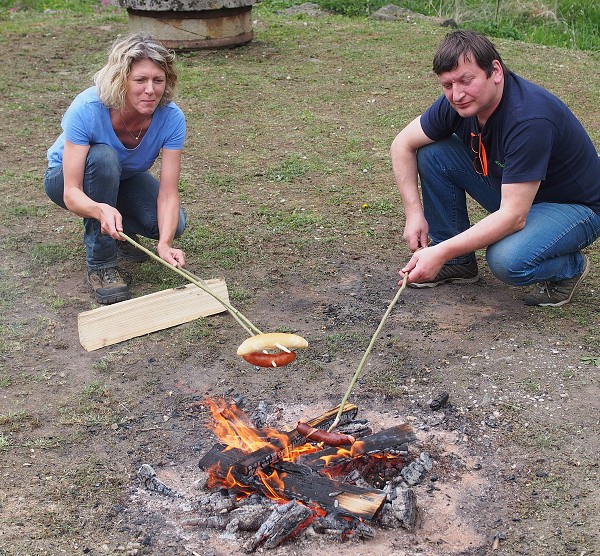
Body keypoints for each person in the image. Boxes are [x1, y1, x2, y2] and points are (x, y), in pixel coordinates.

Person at [391, 30, 600, 307]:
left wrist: (437, 251)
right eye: (447, 85)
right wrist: (414, 214)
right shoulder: (458, 102)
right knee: (433, 152)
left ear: (496, 71)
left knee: (506, 260)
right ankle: (457, 263)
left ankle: (569, 268)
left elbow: (514, 216)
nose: (457, 94)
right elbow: (402, 144)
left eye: (466, 80)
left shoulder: (529, 119)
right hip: (516, 190)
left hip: (574, 208)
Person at [44, 32, 188, 304]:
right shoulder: (87, 108)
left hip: (122, 179)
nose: (150, 90)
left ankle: (120, 230)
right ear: (121, 80)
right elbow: (70, 192)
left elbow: (168, 193)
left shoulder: (171, 118)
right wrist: (100, 209)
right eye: (140, 80)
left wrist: (165, 243)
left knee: (173, 223)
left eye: (158, 80)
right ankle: (101, 263)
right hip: (64, 180)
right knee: (103, 158)